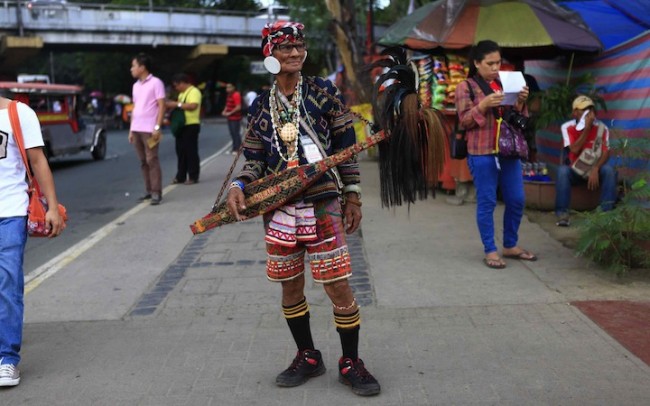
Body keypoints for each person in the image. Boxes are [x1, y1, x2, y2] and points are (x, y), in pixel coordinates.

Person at [225, 21, 380, 396]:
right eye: (285, 48)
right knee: (290, 285)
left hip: (324, 203)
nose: (294, 53)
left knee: (338, 285)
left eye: (298, 46)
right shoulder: (261, 104)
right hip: (279, 208)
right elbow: (254, 157)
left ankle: (351, 362)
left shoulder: (323, 92)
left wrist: (354, 195)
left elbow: (346, 143)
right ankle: (307, 356)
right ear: (270, 55)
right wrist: (237, 185)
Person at [0, 97, 65, 387]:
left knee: (7, 282)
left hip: (10, 212)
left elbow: (38, 161)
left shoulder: (18, 113)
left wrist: (52, 207)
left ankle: (7, 358)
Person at [455, 40, 537, 269]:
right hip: (481, 152)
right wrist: (482, 106)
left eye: (498, 62)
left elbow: (517, 117)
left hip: (508, 150)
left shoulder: (506, 82)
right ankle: (490, 250)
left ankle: (510, 245)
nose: (495, 67)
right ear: (477, 63)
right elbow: (464, 120)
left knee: (517, 199)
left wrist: (520, 102)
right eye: (490, 63)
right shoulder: (466, 86)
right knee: (487, 201)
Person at [555, 95, 617, 227]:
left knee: (609, 171)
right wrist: (587, 129)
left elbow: (606, 152)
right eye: (584, 110)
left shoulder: (602, 128)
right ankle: (562, 214)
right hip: (576, 171)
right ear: (575, 113)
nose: (588, 113)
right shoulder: (567, 127)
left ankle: (606, 215)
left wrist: (596, 168)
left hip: (594, 171)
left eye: (590, 109)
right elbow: (574, 149)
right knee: (562, 171)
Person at [129, 53, 165, 205]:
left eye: (134, 66)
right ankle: (149, 190)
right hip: (136, 128)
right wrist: (130, 130)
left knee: (152, 159)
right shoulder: (135, 86)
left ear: (142, 67)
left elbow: (161, 105)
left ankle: (156, 192)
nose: (131, 69)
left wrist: (157, 126)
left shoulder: (156, 83)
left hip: (150, 129)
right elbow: (135, 107)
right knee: (143, 161)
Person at [166, 73, 202, 185]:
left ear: (182, 83)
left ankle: (193, 176)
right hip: (182, 126)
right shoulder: (182, 94)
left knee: (191, 151)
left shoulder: (194, 91)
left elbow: (193, 106)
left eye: (176, 85)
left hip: (191, 124)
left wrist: (176, 104)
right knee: (180, 151)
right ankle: (180, 175)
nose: (176, 88)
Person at [221, 83, 243, 154]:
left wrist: (229, 113)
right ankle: (234, 148)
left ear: (234, 88)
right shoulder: (229, 95)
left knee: (236, 133)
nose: (227, 89)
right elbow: (227, 105)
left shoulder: (236, 95)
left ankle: (237, 149)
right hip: (230, 118)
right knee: (232, 133)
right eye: (227, 87)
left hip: (235, 118)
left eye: (229, 87)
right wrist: (224, 111)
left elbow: (238, 107)